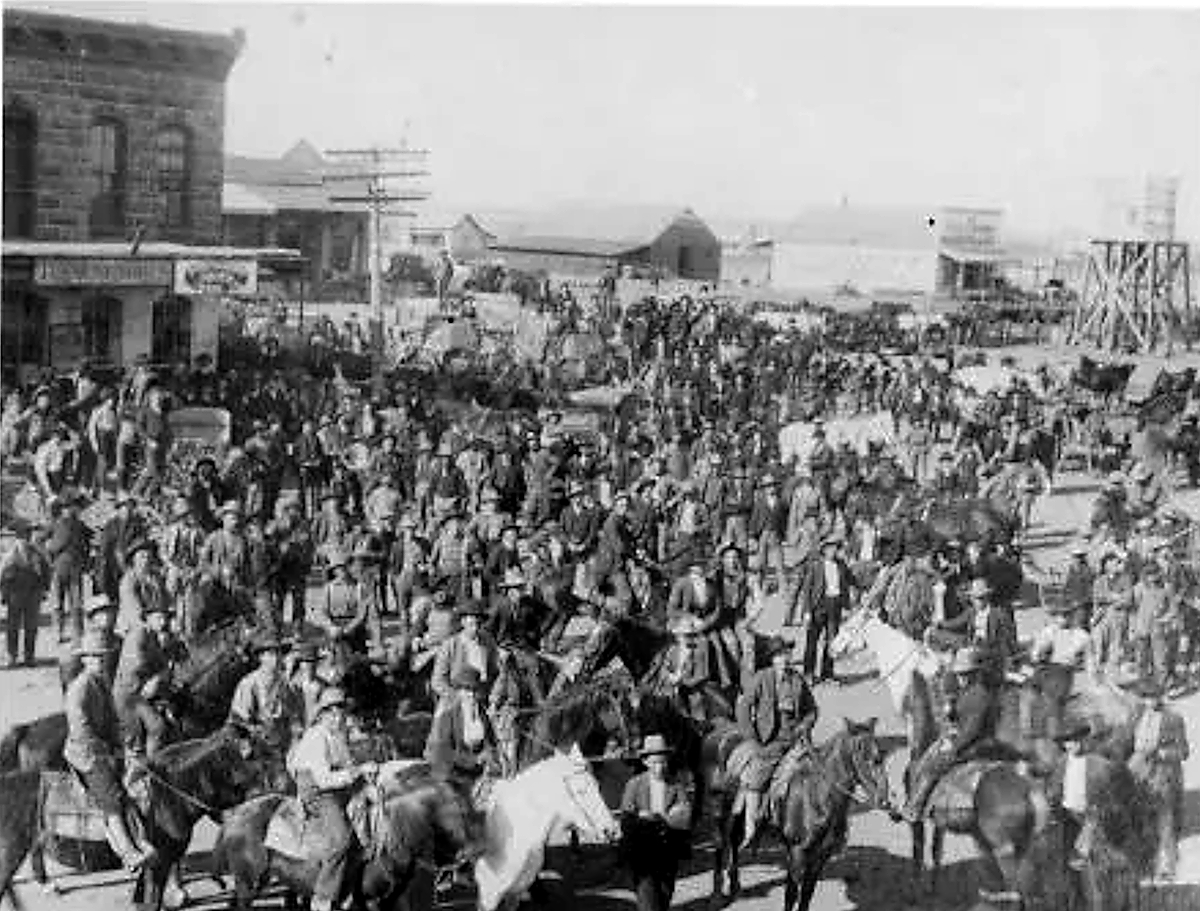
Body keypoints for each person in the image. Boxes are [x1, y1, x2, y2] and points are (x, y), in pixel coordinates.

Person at [63, 631, 158, 870]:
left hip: (104, 748)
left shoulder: (102, 683)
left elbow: (112, 720)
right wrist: (106, 751)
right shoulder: (79, 687)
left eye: (103, 657)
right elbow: (80, 729)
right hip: (85, 754)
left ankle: (140, 840)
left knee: (132, 786)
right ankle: (127, 853)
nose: (100, 661)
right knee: (112, 798)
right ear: (84, 659)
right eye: (94, 657)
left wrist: (120, 745)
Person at [286, 688, 378, 911]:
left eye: (341, 714)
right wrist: (357, 772)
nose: (338, 718)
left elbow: (347, 765)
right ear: (322, 715)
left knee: (368, 820)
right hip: (317, 791)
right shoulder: (317, 737)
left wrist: (365, 775)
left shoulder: (338, 734)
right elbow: (325, 779)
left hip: (335, 786)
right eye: (332, 714)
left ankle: (351, 890)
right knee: (341, 840)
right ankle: (322, 897)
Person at [733, 635, 818, 849]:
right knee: (756, 778)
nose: (784, 659)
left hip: (796, 740)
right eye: (780, 655)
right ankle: (751, 826)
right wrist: (752, 739)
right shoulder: (762, 678)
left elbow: (812, 710)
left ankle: (806, 820)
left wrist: (804, 726)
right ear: (772, 659)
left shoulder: (797, 680)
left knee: (815, 774)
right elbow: (743, 707)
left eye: (787, 654)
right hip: (769, 741)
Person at [903, 647, 1002, 823]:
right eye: (959, 674)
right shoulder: (969, 690)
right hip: (968, 739)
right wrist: (951, 712)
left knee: (934, 765)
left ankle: (916, 808)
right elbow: (962, 718)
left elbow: (973, 730)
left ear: (975, 674)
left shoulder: (980, 695)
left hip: (978, 744)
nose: (961, 678)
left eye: (965, 674)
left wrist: (954, 745)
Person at [619, 734, 695, 911]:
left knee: (664, 897)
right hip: (642, 852)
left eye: (662, 762)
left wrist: (659, 817)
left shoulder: (676, 784)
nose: (659, 767)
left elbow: (684, 815)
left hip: (667, 851)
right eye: (654, 762)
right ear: (645, 762)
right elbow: (626, 819)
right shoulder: (634, 784)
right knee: (647, 902)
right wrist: (641, 819)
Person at [1128, 682, 1190, 881]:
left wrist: (1161, 753)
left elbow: (1183, 752)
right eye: (1145, 697)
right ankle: (1144, 863)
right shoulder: (1137, 715)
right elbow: (1127, 741)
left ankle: (1167, 867)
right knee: (1140, 818)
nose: (1149, 701)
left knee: (1165, 820)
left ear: (1161, 697)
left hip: (1163, 774)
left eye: (1153, 697)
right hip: (1138, 772)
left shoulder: (1174, 719)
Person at [112, 599, 175, 760]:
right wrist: (156, 677)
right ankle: (146, 767)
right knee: (155, 728)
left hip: (141, 692)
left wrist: (159, 676)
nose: (164, 622)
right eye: (159, 618)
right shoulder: (138, 635)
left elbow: (163, 666)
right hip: (129, 694)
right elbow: (138, 667)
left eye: (165, 618)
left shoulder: (153, 636)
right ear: (147, 618)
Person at [1029, 599, 1091, 741]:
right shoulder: (1048, 632)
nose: (1063, 618)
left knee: (1054, 695)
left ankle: (1054, 733)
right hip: (1045, 670)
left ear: (1072, 616)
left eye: (1067, 615)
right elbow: (1035, 655)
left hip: (1063, 673)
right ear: (1055, 616)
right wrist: (1040, 653)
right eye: (1060, 615)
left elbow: (1087, 658)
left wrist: (1080, 662)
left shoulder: (1081, 635)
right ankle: (1036, 729)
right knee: (1031, 692)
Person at [425, 666, 499, 782]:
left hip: (477, 771)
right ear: (459, 691)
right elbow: (442, 751)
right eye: (467, 690)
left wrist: (489, 753)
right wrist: (473, 760)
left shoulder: (483, 713)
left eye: (474, 690)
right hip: (452, 771)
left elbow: (490, 741)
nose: (471, 694)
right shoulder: (448, 715)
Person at [228, 637, 299, 747]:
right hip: (260, 744)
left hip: (283, 741)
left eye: (278, 653)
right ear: (261, 657)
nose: (275, 658)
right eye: (270, 654)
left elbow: (292, 711)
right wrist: (255, 731)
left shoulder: (283, 682)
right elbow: (237, 719)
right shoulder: (250, 683)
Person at [0, 520, 51, 668]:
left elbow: (46, 571)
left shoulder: (37, 552)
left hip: (33, 594)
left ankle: (29, 656)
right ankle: (12, 656)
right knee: (13, 627)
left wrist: (44, 589)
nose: (26, 539)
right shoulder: (10, 554)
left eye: (28, 536)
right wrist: (4, 594)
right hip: (15, 595)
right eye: (23, 536)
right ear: (17, 538)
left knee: (31, 627)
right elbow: (2, 575)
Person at [430, 599, 498, 707]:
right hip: (454, 703)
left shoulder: (488, 643)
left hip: (480, 700)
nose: (475, 628)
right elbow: (437, 681)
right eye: (471, 623)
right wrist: (457, 696)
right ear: (463, 622)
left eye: (478, 623)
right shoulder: (450, 645)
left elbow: (495, 673)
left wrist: (490, 695)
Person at [60, 594, 123, 691]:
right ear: (92, 617)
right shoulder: (81, 643)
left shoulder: (119, 641)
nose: (107, 616)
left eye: (109, 611)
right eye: (101, 612)